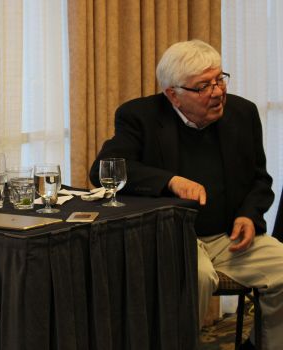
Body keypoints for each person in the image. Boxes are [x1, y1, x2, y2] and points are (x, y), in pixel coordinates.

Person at [89, 40, 283, 350]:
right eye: (203, 86)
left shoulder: (242, 113)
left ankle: (264, 344)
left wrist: (249, 215)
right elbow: (102, 171)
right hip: (173, 237)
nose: (218, 92)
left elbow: (259, 180)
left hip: (230, 237)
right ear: (173, 95)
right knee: (196, 277)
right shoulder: (140, 117)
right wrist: (170, 181)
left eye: (220, 79)